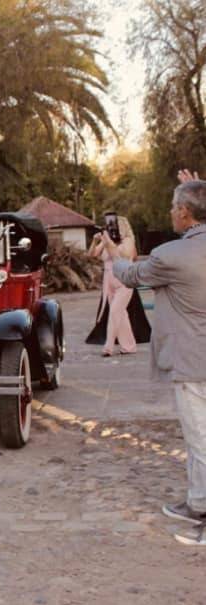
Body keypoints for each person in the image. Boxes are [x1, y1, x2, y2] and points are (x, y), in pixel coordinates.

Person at [103, 176, 206, 543]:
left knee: (200, 439)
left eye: (172, 208)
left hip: (194, 360)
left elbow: (130, 275)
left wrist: (115, 256)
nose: (169, 213)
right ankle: (196, 502)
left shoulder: (170, 255)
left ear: (183, 212)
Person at [86, 214, 151, 356]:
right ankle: (129, 346)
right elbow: (92, 254)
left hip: (124, 280)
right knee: (121, 315)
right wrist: (95, 240)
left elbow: (120, 255)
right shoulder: (106, 240)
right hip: (109, 280)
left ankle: (108, 346)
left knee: (115, 311)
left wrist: (108, 241)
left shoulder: (128, 241)